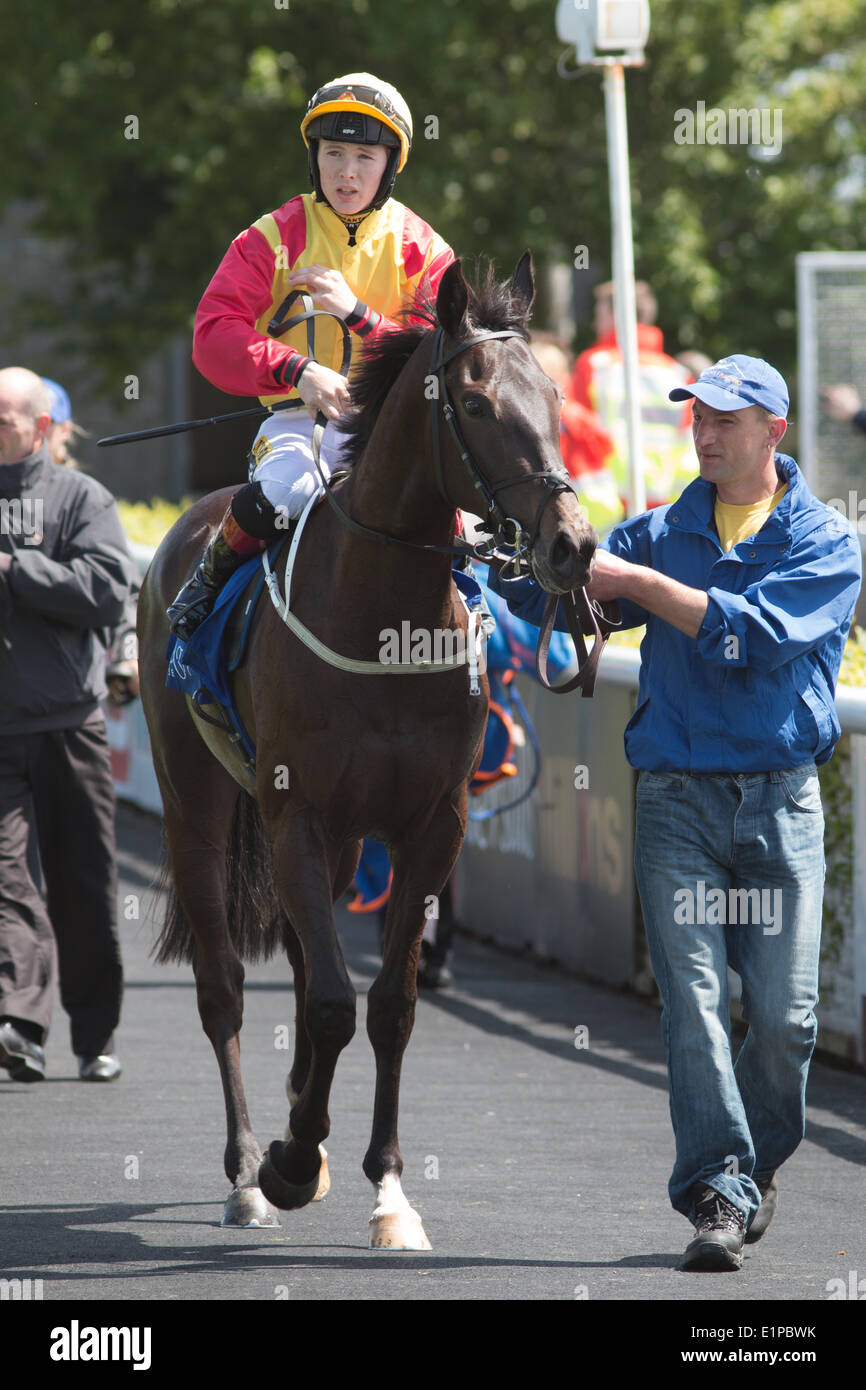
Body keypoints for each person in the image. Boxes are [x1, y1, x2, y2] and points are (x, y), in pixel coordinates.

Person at [487, 354, 861, 1271]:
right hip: (677, 809)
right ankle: (718, 1194)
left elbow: (756, 637)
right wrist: (503, 550)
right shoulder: (657, 529)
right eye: (697, 416)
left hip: (780, 809)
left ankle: (748, 1170)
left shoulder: (826, 540)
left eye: (725, 420)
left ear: (774, 432)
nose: (703, 431)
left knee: (785, 1023)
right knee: (694, 1006)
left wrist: (636, 586)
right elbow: (563, 593)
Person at [168, 72, 455, 639]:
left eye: (364, 156)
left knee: (469, 513)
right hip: (300, 423)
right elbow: (213, 333)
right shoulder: (270, 236)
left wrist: (357, 315)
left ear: (389, 165)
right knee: (287, 493)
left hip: (398, 427)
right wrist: (296, 370)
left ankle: (484, 625)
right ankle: (205, 585)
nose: (347, 172)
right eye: (334, 153)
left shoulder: (425, 247)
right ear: (315, 157)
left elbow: (441, 355)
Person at [0, 367, 138, 1083]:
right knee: (7, 880)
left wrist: (13, 568)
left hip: (69, 723)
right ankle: (21, 1022)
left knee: (84, 884)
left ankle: (94, 1035)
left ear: (41, 428)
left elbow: (107, 590)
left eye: (3, 422)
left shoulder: (80, 497)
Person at [568, 280, 698, 533]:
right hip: (664, 511)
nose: (596, 324)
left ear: (614, 315)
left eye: (599, 315)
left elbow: (578, 433)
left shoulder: (594, 365)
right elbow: (688, 449)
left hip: (606, 508)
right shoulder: (678, 374)